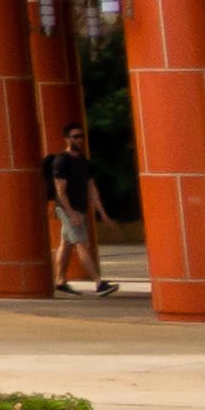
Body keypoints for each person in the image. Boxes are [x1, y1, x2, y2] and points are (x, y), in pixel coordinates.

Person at [44, 122, 118, 295]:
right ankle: (99, 283)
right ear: (67, 139)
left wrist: (103, 214)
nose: (80, 140)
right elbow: (60, 191)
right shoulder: (62, 161)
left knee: (66, 244)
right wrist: (71, 214)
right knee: (82, 244)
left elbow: (92, 189)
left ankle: (60, 281)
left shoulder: (85, 162)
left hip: (79, 209)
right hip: (68, 209)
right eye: (75, 136)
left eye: (81, 136)